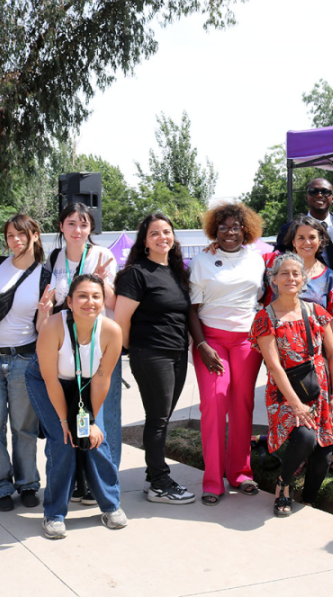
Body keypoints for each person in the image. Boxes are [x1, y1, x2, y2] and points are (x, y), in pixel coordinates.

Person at [25, 275, 127, 539]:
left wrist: (90, 422)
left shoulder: (111, 331)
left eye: (96, 296)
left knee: (94, 440)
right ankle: (54, 514)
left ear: (104, 302)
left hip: (86, 386)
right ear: (69, 301)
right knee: (63, 441)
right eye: (82, 296)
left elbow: (102, 378)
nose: (89, 302)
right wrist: (63, 422)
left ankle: (110, 505)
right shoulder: (52, 326)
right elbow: (49, 378)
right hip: (50, 381)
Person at [250, 253, 333, 516]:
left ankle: (310, 501)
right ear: (274, 280)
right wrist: (296, 405)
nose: (290, 278)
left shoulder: (316, 312)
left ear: (303, 279)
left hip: (321, 390)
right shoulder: (264, 318)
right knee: (304, 437)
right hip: (285, 394)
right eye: (284, 273)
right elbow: (274, 366)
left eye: (296, 273)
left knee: (323, 455)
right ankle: (284, 484)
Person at [276, 178, 333, 458]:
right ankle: (306, 443)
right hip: (299, 328)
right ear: (307, 196)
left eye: (326, 191)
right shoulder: (291, 229)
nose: (320, 195)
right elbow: (277, 265)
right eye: (314, 191)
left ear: (332, 196)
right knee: (306, 384)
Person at [114, 213, 195, 505]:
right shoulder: (137, 273)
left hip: (177, 354)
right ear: (145, 242)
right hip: (150, 353)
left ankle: (153, 476)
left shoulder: (176, 272)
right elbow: (121, 319)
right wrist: (128, 350)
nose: (163, 237)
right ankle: (160, 482)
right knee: (158, 419)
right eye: (154, 233)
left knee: (161, 417)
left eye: (167, 232)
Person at [0, 214, 55, 512]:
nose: (15, 240)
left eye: (22, 234)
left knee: (24, 426)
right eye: (10, 235)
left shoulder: (45, 276)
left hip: (24, 357)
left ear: (35, 235)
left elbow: (42, 329)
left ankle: (28, 484)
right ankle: (0, 487)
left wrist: (46, 313)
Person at [189, 202, 265, 505]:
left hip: (247, 341)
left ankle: (240, 473)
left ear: (246, 229)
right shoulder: (202, 261)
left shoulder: (258, 259)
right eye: (223, 226)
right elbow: (192, 309)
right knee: (214, 405)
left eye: (236, 226)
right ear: (214, 230)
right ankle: (212, 479)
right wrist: (202, 345)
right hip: (211, 342)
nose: (230, 232)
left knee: (242, 405)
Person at [48, 203, 120, 504]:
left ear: (91, 229)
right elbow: (54, 301)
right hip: (67, 349)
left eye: (84, 224)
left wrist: (101, 280)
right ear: (62, 227)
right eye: (71, 223)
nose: (78, 230)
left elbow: (113, 301)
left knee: (101, 417)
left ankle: (102, 483)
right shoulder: (55, 257)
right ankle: (78, 483)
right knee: (76, 418)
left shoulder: (103, 256)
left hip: (97, 348)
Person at [268, 215, 333, 478]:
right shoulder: (278, 270)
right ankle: (298, 456)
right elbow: (269, 310)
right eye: (301, 237)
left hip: (318, 356)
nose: (306, 242)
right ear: (292, 241)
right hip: (286, 360)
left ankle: (331, 455)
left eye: (312, 237)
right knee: (295, 406)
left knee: (326, 405)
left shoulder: (329, 276)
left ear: (320, 241)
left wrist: (329, 353)